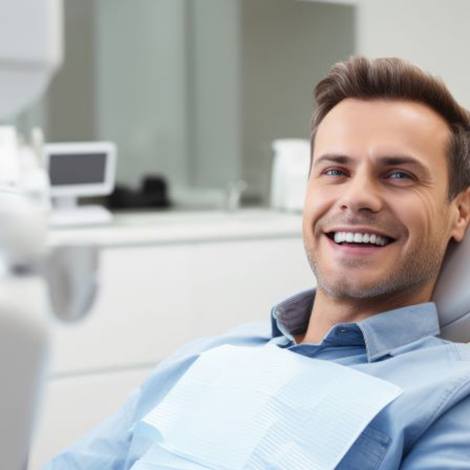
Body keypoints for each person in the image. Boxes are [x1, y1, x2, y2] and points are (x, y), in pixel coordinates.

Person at [46, 56, 470, 469]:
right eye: (335, 171)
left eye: (399, 175)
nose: (356, 196)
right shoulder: (209, 356)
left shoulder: (449, 396)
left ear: (460, 212)